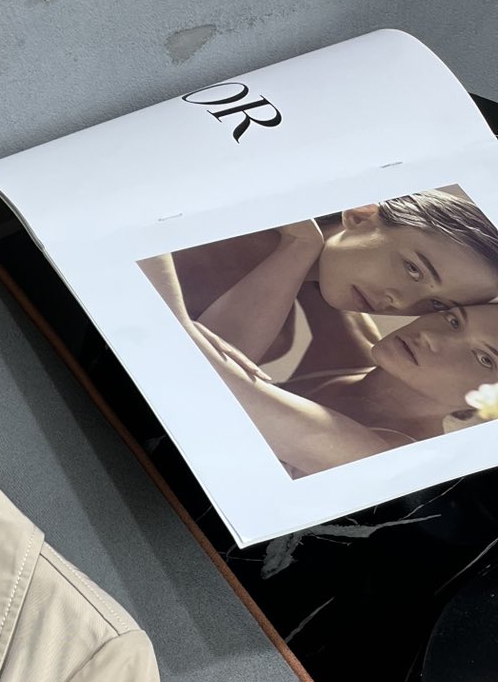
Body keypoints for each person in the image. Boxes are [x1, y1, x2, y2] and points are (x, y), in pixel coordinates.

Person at [141, 249, 498, 476]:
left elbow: (209, 377)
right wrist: (305, 240)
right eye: (453, 320)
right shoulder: (352, 351)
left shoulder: (391, 460)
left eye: (484, 358)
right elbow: (331, 258)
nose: (433, 337)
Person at [168, 191, 498, 384]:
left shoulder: (277, 336)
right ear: (361, 215)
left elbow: (193, 378)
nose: (399, 302)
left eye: (438, 305)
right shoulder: (226, 212)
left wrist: (302, 245)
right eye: (413, 269)